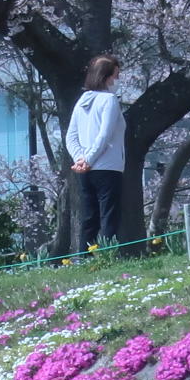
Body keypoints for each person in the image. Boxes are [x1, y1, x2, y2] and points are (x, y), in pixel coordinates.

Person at [65, 55, 129, 252]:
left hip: (85, 170)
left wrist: (80, 160)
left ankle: (85, 257)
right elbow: (105, 134)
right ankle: (106, 256)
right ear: (106, 77)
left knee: (89, 215)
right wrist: (88, 159)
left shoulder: (81, 101)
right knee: (109, 215)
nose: (117, 81)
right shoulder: (109, 100)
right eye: (115, 75)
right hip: (108, 166)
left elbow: (71, 137)